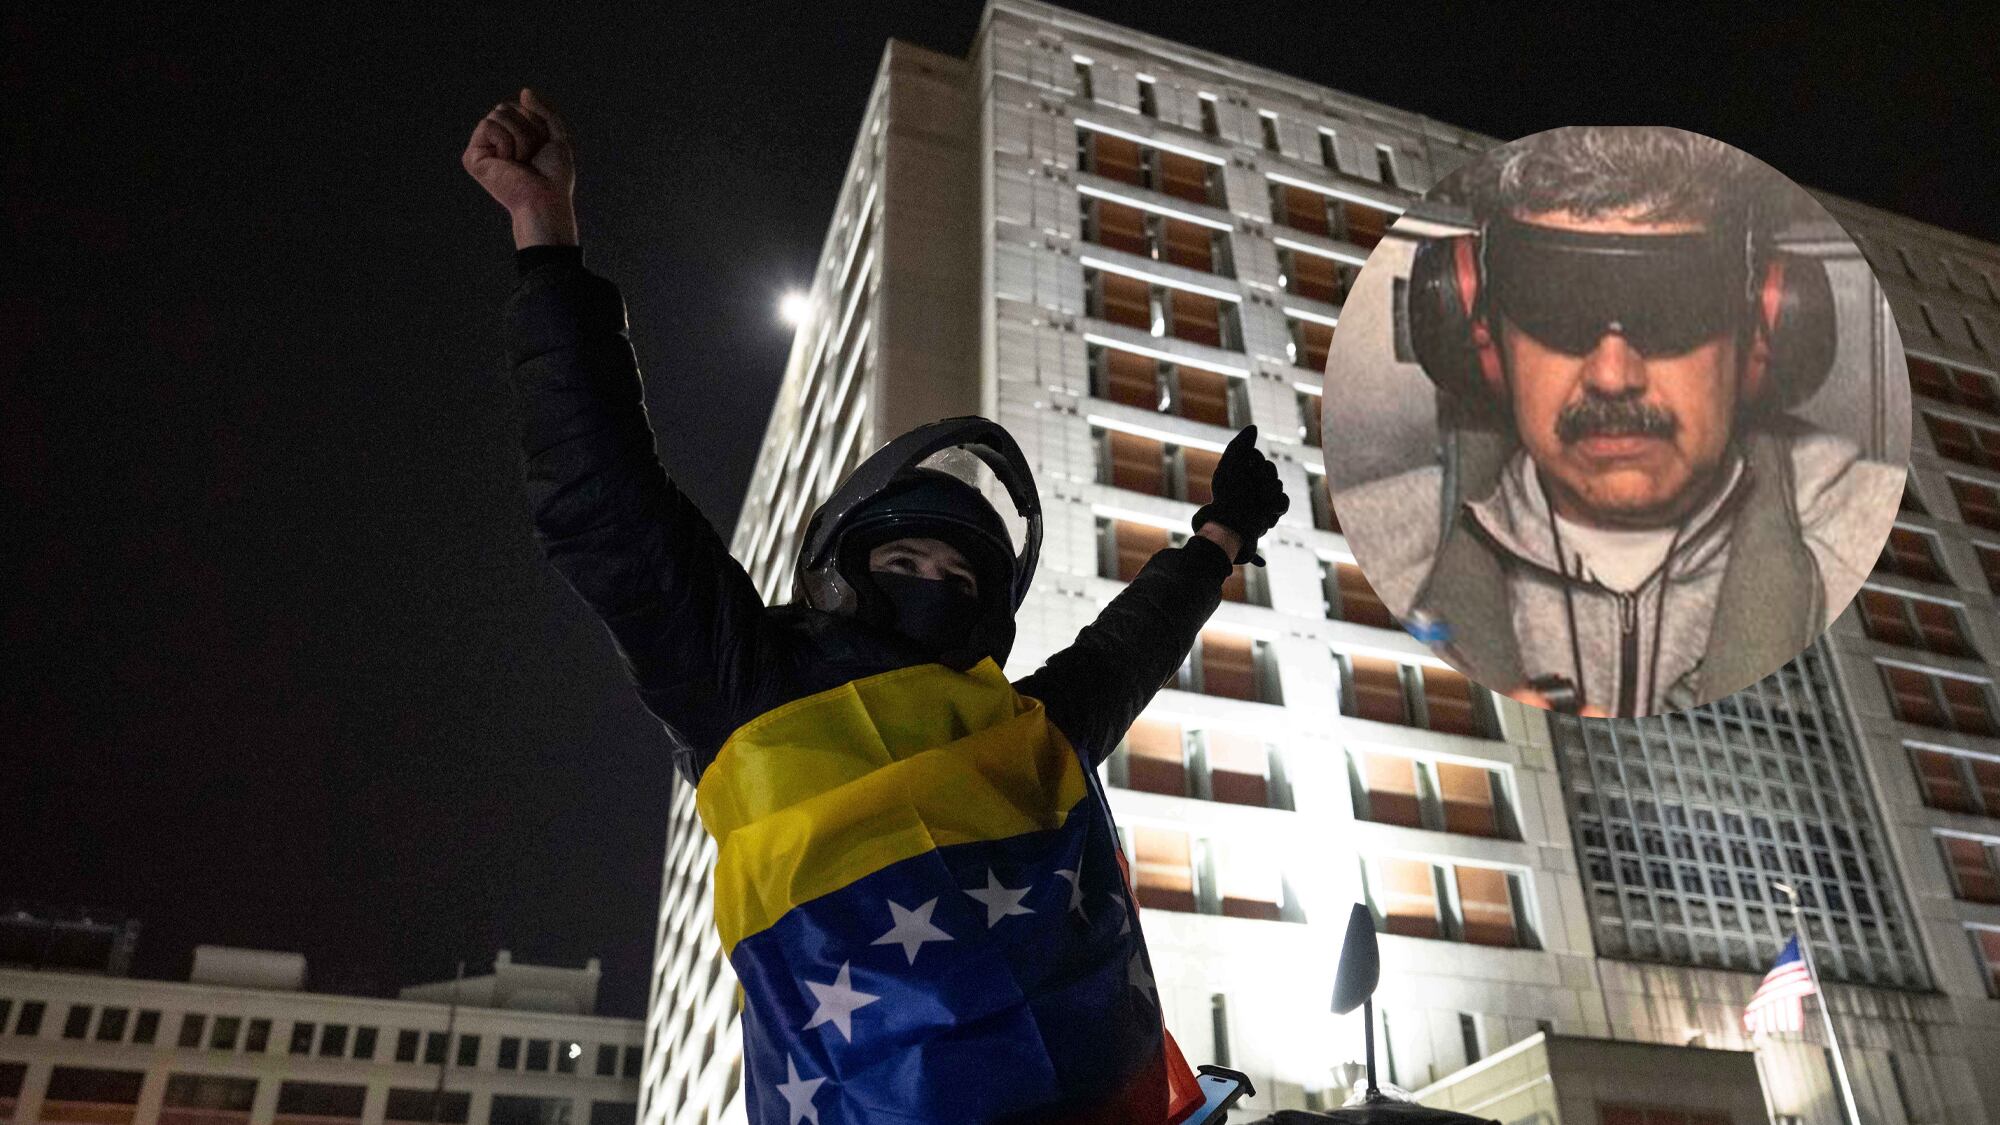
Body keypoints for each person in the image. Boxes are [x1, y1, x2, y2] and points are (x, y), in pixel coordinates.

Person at [463, 90, 1289, 1123]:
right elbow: (603, 500)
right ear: (845, 572)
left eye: (963, 578)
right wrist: (545, 240)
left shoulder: (1026, 735)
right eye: (906, 557)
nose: (935, 585)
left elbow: (1126, 649)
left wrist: (1221, 539)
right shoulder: (745, 685)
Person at [1336, 126, 1901, 718]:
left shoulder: (1876, 548)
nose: (1612, 375)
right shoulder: (1373, 549)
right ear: (1479, 331)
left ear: (1763, 328)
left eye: (1672, 308)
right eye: (1556, 305)